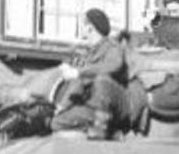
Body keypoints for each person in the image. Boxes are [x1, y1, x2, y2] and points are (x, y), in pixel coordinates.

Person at [51, 8, 127, 139]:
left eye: (82, 25)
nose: (80, 28)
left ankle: (107, 135)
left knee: (58, 123)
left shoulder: (112, 47)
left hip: (103, 106)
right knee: (57, 121)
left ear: (90, 28)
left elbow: (114, 65)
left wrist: (78, 72)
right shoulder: (90, 52)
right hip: (88, 103)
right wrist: (62, 106)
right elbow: (78, 83)